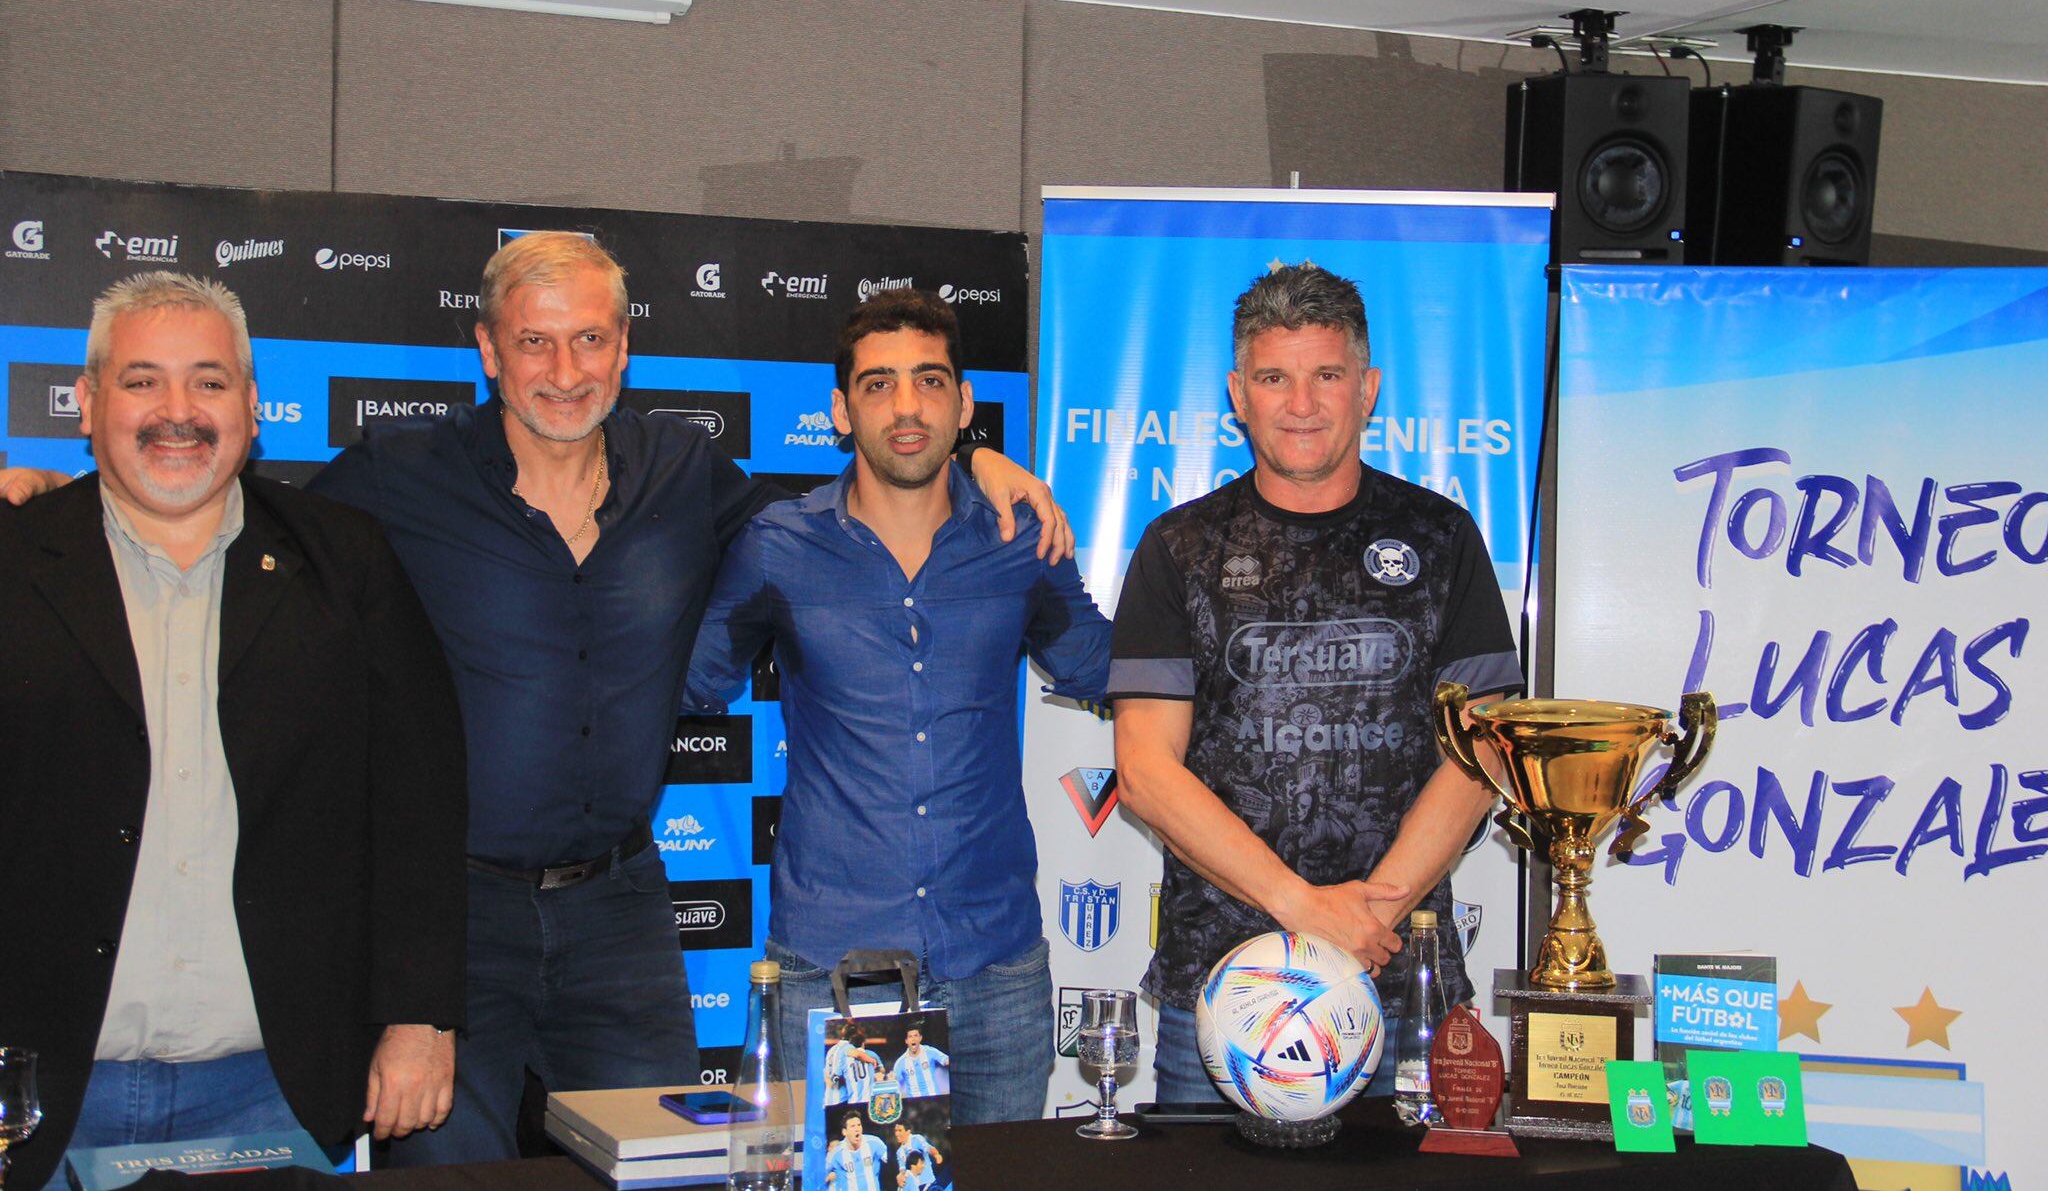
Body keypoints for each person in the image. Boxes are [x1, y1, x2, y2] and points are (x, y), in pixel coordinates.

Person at [0, 233, 1070, 1166]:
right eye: (535, 341)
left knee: (666, 1163)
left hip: (619, 904)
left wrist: (977, 461)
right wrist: (58, 489)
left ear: (623, 349)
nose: (566, 369)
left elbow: (850, 506)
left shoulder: (684, 470)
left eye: (591, 339)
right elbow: (224, 499)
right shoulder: (399, 474)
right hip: (454, 915)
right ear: (487, 351)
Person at [0, 274, 466, 1191]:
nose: (178, 411)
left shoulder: (348, 559)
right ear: (88, 404)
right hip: (35, 1083)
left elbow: (418, 798)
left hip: (273, 1088)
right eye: (141, 381)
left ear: (253, 407)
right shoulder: (13, 560)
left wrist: (419, 1017)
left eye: (209, 382)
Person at [685, 289, 1111, 1124]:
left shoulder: (1020, 543)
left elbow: (1107, 670)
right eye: (879, 386)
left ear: (965, 406)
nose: (907, 407)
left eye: (929, 382)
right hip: (832, 964)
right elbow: (693, 682)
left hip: (997, 968)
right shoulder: (779, 546)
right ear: (841, 412)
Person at [1109, 264, 1522, 1102]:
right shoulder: (1178, 548)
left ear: (1367, 388)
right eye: (1274, 377)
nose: (1302, 403)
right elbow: (1148, 773)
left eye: (1327, 374)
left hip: (1398, 976)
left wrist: (1372, 913)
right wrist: (1303, 906)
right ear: (1238, 393)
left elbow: (1484, 746)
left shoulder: (1441, 539)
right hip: (1222, 991)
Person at [823, 1114, 888, 1191]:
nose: (857, 1129)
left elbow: (892, 1160)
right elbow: (821, 1177)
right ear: (844, 1132)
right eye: (853, 1126)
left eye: (859, 1125)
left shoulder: (875, 1143)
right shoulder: (835, 1153)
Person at [824, 1024, 882, 1105]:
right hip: (841, 1098)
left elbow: (829, 1077)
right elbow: (855, 1053)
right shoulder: (847, 1048)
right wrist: (871, 1060)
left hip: (829, 1097)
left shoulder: (832, 1050)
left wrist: (830, 1080)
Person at [889, 1027, 950, 1098]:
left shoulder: (930, 1051)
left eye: (916, 1035)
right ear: (906, 1041)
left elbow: (946, 1060)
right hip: (914, 1103)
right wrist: (891, 1078)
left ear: (920, 1038)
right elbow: (894, 1081)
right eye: (910, 1036)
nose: (913, 1039)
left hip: (934, 1098)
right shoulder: (900, 1062)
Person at [891, 1123, 943, 1188]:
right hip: (915, 1187)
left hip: (928, 1183)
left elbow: (928, 1148)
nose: (896, 1134)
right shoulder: (899, 1152)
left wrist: (936, 1154)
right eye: (895, 1131)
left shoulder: (917, 1139)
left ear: (908, 1131)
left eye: (900, 1130)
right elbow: (902, 1170)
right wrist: (900, 1176)